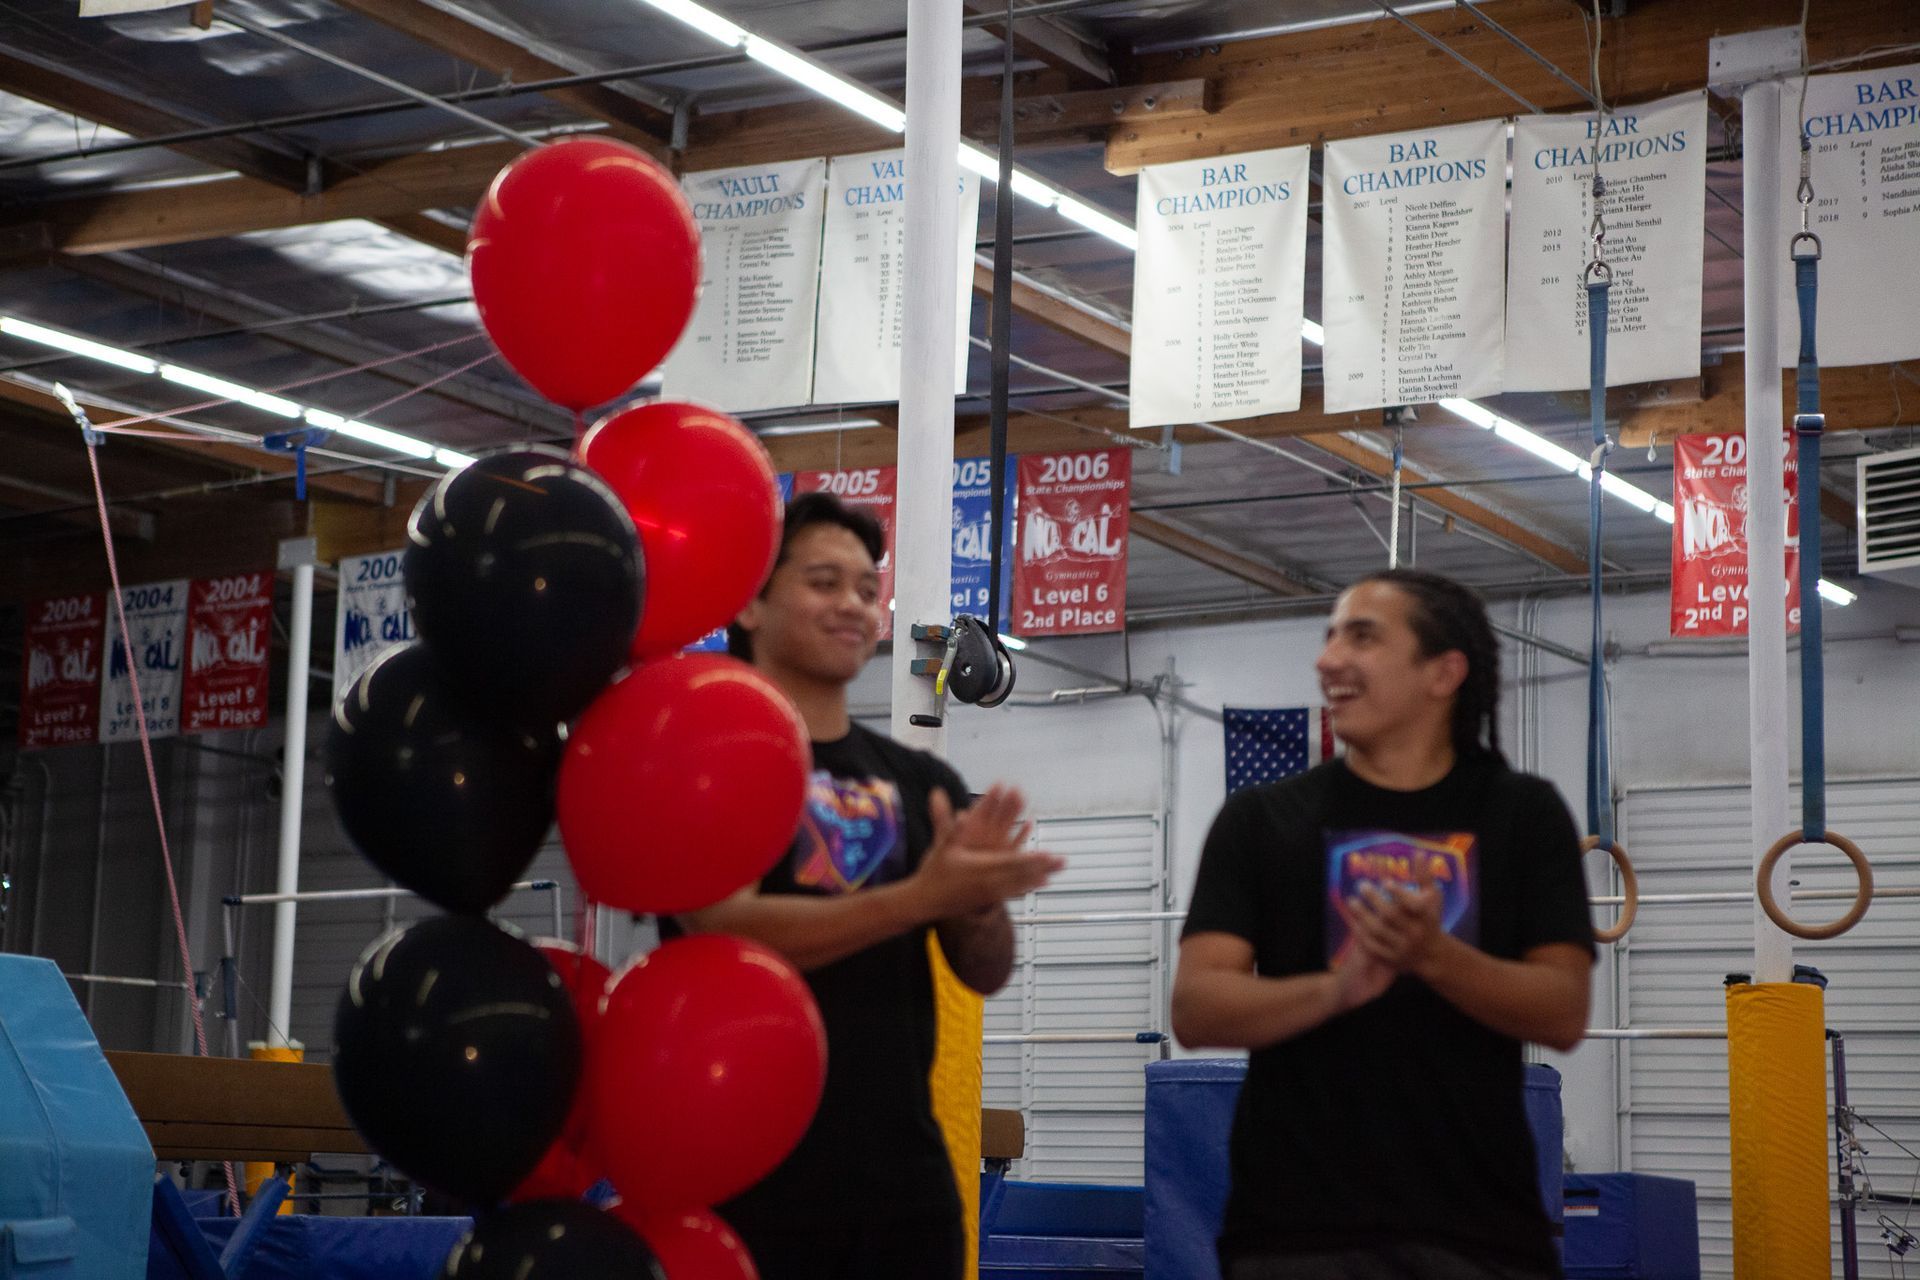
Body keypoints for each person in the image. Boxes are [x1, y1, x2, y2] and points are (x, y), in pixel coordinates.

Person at [676, 492, 1063, 1280]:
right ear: (751, 602)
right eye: (824, 582)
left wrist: (978, 899)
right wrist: (919, 899)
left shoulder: (918, 780)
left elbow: (984, 969)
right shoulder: (710, 755)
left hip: (902, 1185)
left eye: (865, 587)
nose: (853, 604)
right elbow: (724, 928)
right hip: (748, 1176)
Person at [1172, 569, 1596, 1280]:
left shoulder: (1522, 814)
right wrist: (1335, 991)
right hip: (1294, 1234)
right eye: (1329, 636)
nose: (1329, 659)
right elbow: (1196, 1008)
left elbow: (1564, 1011)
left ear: (1443, 672)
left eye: (1362, 638)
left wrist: (1436, 957)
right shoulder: (1262, 820)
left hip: (1480, 1231)